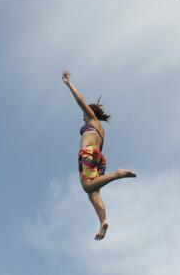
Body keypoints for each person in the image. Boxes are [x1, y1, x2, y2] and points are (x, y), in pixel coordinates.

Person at [61, 70, 136, 240]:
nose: (83, 118)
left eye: (84, 115)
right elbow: (99, 150)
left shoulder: (92, 119)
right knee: (93, 194)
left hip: (88, 153)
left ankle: (118, 174)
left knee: (87, 187)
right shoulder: (102, 130)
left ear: (89, 113)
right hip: (98, 157)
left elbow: (80, 100)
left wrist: (69, 83)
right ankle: (103, 222)